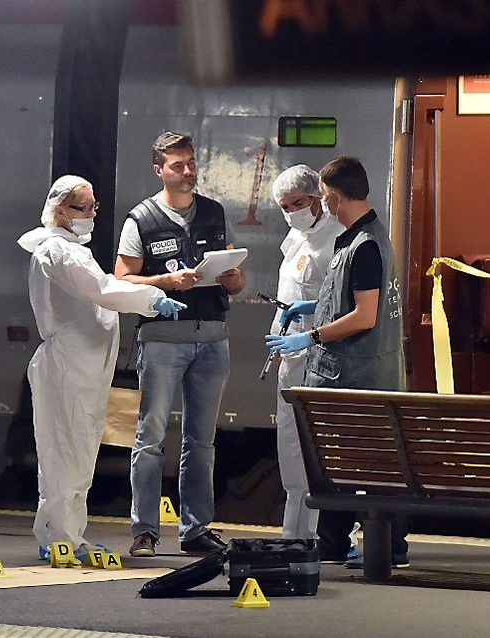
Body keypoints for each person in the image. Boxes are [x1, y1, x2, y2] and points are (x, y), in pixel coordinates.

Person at [18, 175, 185, 561]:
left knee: (80, 450)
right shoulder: (59, 252)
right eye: (83, 207)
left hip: (85, 369)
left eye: (94, 206)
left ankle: (70, 536)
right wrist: (153, 297)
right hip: (68, 368)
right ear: (59, 210)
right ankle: (56, 538)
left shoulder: (73, 249)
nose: (92, 214)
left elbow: (101, 288)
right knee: (66, 452)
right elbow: (104, 290)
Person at [265, 156, 409, 567]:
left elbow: (365, 315)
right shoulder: (363, 238)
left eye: (324, 197)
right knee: (342, 462)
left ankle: (384, 547)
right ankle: (330, 545)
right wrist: (307, 307)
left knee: (360, 464)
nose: (323, 206)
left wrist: (307, 336)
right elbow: (348, 299)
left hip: (358, 374)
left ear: (335, 195)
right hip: (355, 374)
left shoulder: (363, 246)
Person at [115, 131, 246, 557]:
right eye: (178, 165)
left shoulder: (213, 212)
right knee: (151, 437)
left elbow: (235, 278)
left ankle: (195, 529)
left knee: (201, 439)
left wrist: (234, 279)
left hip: (212, 336)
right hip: (161, 340)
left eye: (191, 163)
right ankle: (145, 532)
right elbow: (120, 280)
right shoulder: (141, 219)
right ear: (159, 169)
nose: (188, 172)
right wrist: (164, 282)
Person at [268, 165, 342, 541]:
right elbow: (287, 292)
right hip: (292, 354)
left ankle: (326, 534)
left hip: (320, 354)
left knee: (320, 445)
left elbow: (342, 302)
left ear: (317, 198)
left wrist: (307, 317)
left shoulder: (338, 238)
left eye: (298, 203)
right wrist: (278, 327)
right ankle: (294, 533)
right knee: (290, 443)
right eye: (285, 206)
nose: (292, 212)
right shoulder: (296, 237)